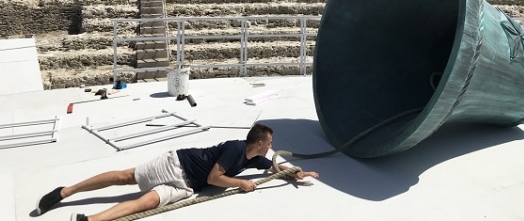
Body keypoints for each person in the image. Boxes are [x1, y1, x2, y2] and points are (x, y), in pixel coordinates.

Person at [36, 124, 319, 221]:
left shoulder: (255, 158)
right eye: (269, 143)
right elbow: (214, 179)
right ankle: (66, 191)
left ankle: (91, 220)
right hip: (177, 164)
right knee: (126, 177)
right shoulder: (235, 149)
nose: (272, 146)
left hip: (187, 186)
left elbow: (274, 166)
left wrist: (296, 173)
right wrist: (241, 183)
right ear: (258, 142)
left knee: (145, 203)